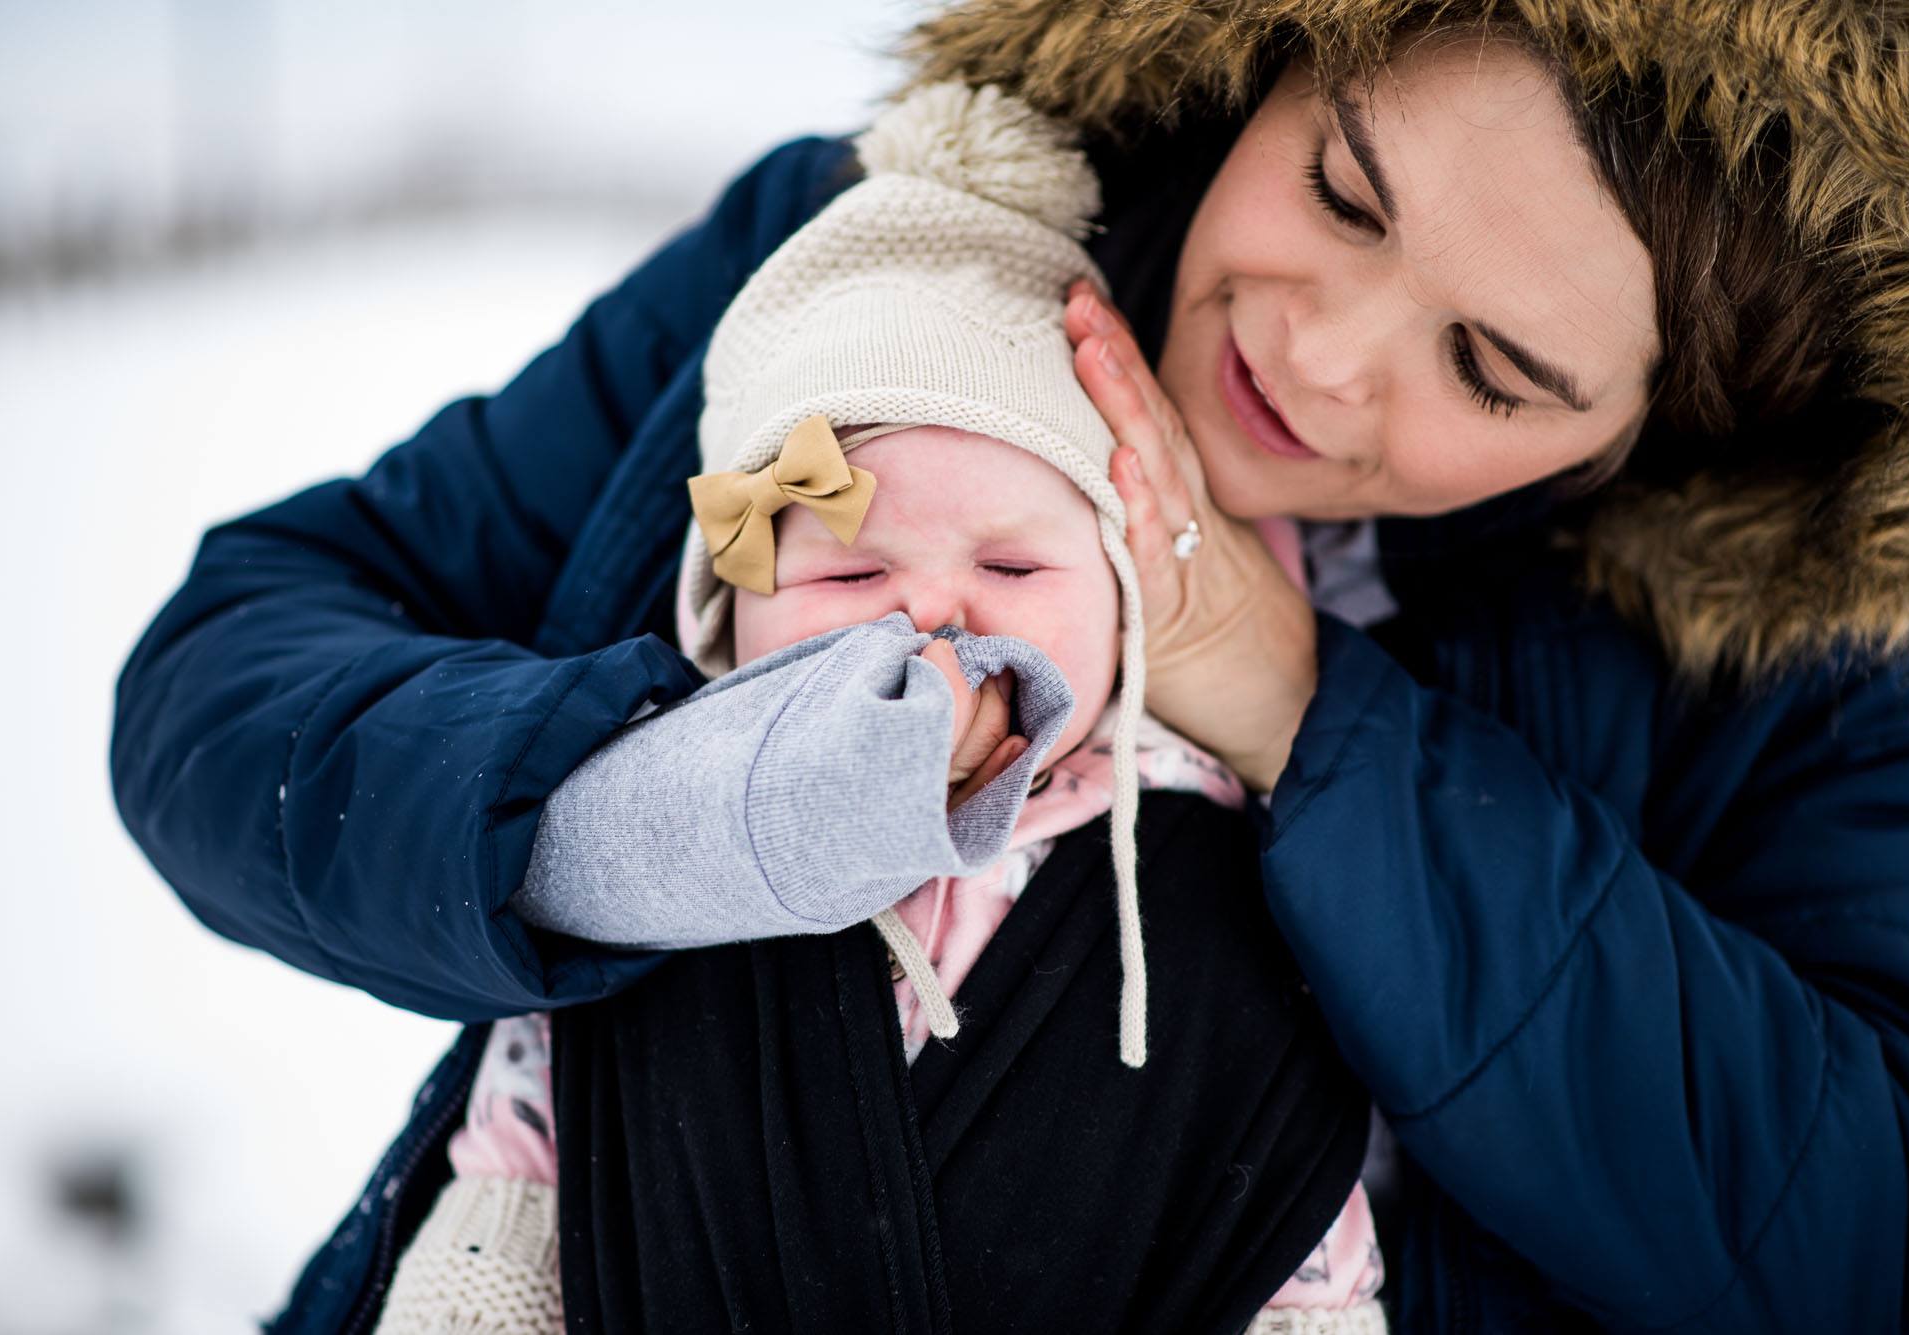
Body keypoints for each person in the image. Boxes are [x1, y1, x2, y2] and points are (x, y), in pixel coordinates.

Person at [109, 1, 1909, 1331]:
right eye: (1340, 189)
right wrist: (616, 822)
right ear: (1277, 52)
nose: (1315, 359)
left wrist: (1310, 720)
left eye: (1490, 370)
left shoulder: (1769, 685)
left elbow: (1894, 1238)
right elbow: (232, 676)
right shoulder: (864, 264)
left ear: (1671, 437)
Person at [371, 87, 1383, 1332]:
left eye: (1012, 571)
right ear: (723, 620)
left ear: (1127, 611)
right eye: (851, 575)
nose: (933, 619)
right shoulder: (647, 843)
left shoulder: (1219, 870)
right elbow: (527, 1146)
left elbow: (1285, 1208)